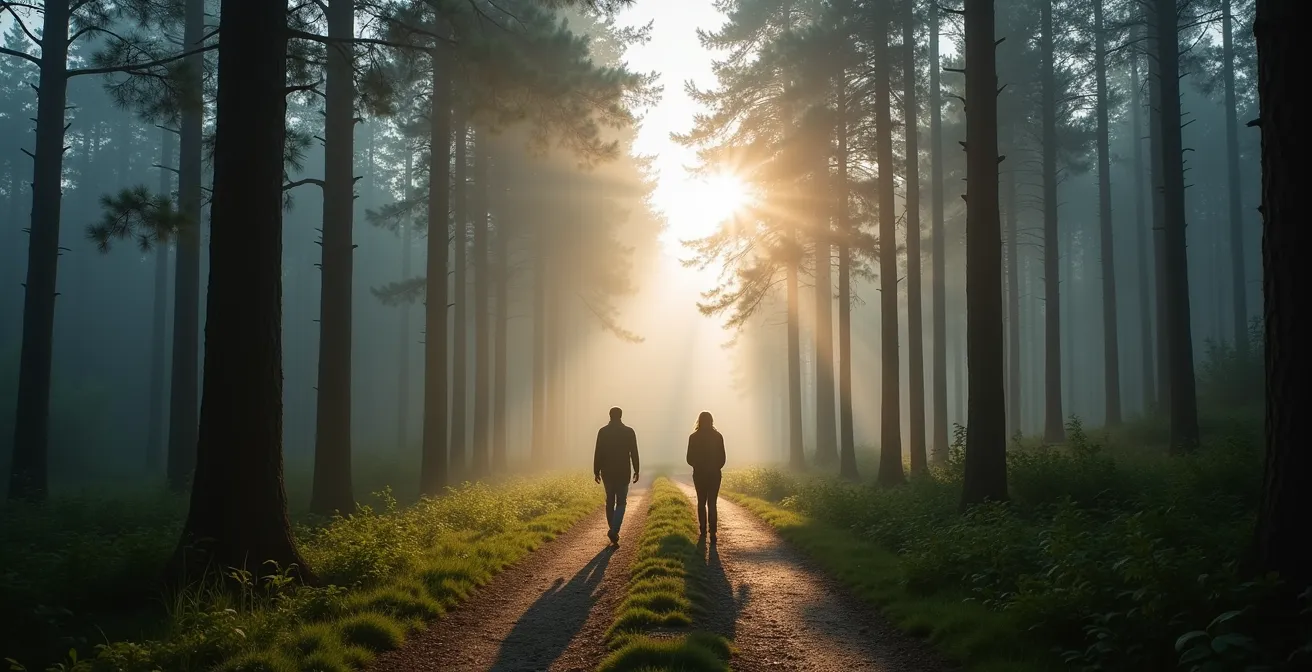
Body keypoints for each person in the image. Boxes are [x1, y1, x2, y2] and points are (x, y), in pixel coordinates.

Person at [593, 406, 640, 546]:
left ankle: (612, 529)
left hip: (607, 472)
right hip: (623, 472)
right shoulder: (629, 432)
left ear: (609, 416)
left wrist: (596, 471)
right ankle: (614, 530)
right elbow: (634, 453)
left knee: (609, 501)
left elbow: (598, 452)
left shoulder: (603, 432)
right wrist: (637, 470)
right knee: (621, 502)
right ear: (621, 416)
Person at [686, 411, 726, 541]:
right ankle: (713, 531)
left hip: (699, 474)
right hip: (714, 474)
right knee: (712, 502)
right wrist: (715, 467)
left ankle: (702, 529)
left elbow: (689, 458)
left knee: (701, 502)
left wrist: (697, 465)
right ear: (711, 421)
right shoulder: (718, 436)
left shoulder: (693, 437)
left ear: (699, 421)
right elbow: (723, 458)